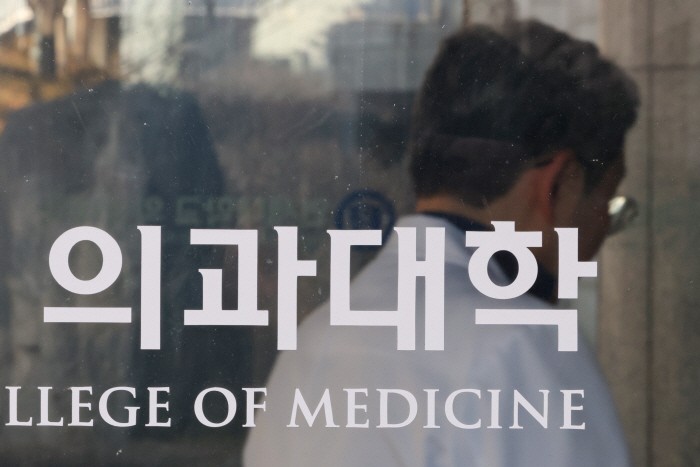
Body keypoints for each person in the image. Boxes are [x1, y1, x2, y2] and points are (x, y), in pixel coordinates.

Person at [244, 20, 638, 467]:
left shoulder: (315, 342)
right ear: (559, 185)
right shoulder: (522, 347)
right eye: (607, 204)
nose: (602, 232)